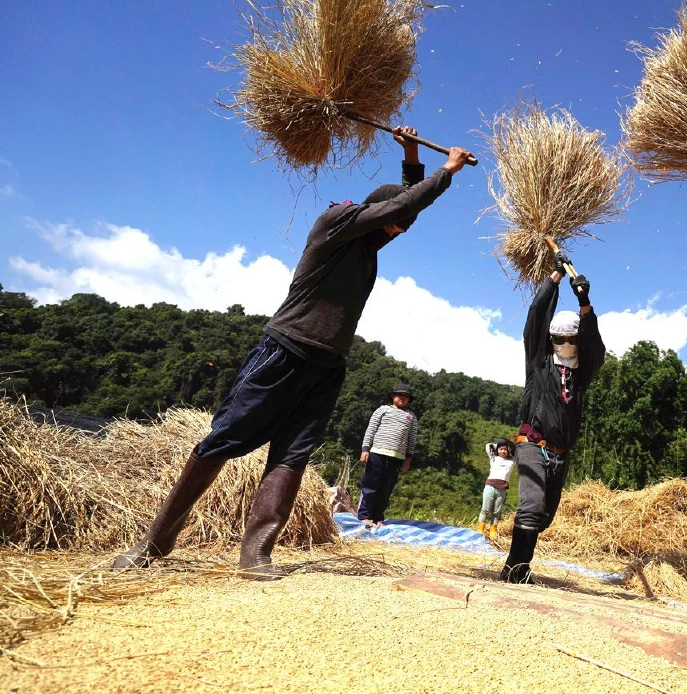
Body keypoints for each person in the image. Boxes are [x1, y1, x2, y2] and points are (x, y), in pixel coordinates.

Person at [112, 128, 471, 580]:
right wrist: (447, 169)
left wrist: (413, 156)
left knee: (291, 456)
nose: (397, 232)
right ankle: (153, 543)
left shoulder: (367, 242)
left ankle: (256, 555)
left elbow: (405, 204)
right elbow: (401, 204)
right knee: (223, 440)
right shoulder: (337, 222)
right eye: (393, 224)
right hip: (283, 351)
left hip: (327, 366)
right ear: (374, 212)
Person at [502, 252, 605, 583]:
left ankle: (515, 564)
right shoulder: (540, 361)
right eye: (557, 338)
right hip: (533, 443)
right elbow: (535, 317)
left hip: (561, 454)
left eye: (569, 339)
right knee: (531, 507)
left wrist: (584, 303)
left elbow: (595, 347)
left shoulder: (582, 372)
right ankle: (516, 572)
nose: (563, 343)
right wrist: (556, 277)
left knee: (543, 517)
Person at [357, 383, 419, 526]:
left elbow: (412, 439)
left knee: (386, 488)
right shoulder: (382, 410)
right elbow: (371, 429)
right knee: (370, 485)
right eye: (399, 395)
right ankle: (364, 516)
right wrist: (365, 449)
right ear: (393, 397)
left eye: (406, 396)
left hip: (397, 458)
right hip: (377, 453)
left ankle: (378, 518)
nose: (402, 398)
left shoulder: (411, 417)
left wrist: (408, 459)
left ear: (409, 400)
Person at [477, 437, 516, 540]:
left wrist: (509, 445)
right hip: (490, 486)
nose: (503, 451)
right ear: (497, 450)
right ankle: (481, 529)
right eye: (501, 449)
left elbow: (516, 452)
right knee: (485, 509)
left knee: (496, 512)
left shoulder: (511, 461)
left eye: (505, 449)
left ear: (508, 451)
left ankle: (493, 530)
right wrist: (499, 444)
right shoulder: (493, 458)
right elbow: (488, 446)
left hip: (501, 489)